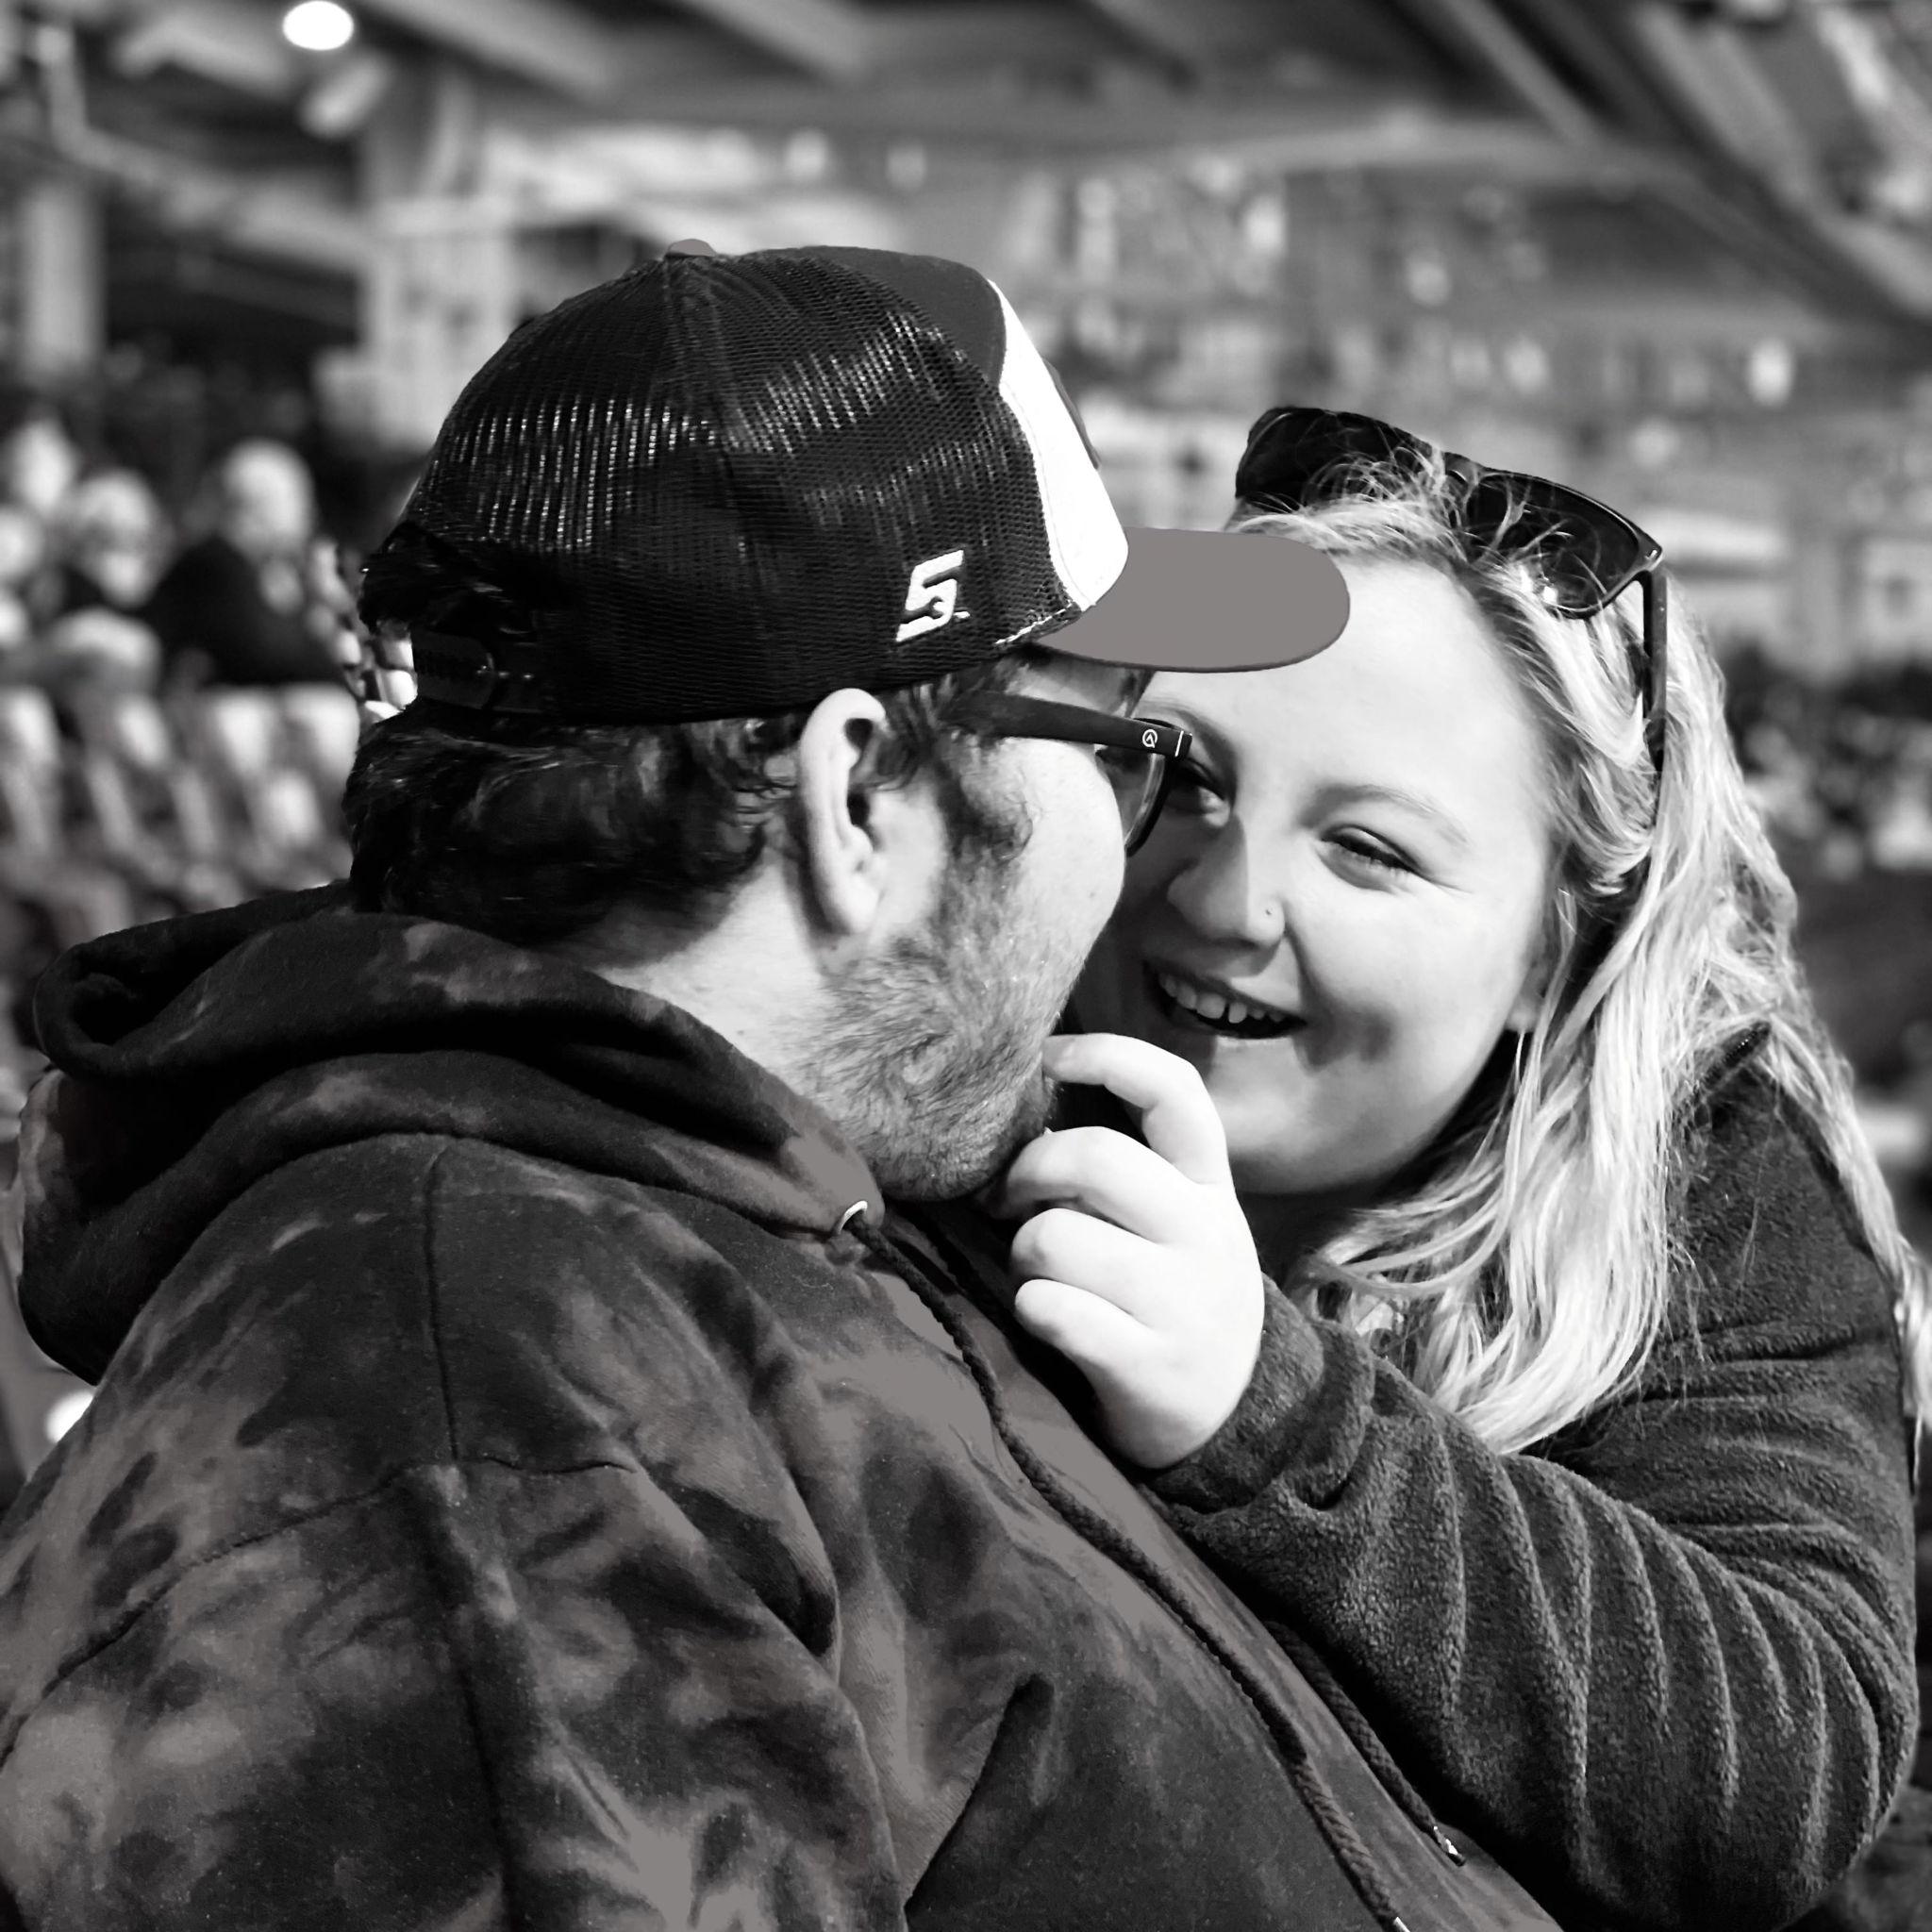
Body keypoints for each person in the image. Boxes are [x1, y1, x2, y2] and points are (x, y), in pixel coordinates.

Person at [0, 246, 1566, 1932]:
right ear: (859, 798)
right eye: (1124, 753)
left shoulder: (737, 1208)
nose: (1143, 862)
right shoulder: (472, 1401)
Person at [973, 408, 1926, 1932]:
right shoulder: (958, 1046)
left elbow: (1776, 1768)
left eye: (1367, 848)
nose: (1221, 901)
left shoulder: (1697, 1185)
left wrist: (1267, 1413)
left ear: (1559, 948)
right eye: (1187, 775)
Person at [142, 437, 342, 688]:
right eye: (298, 501)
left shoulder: (263, 566)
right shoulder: (215, 561)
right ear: (264, 505)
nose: (308, 517)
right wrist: (319, 614)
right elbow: (264, 655)